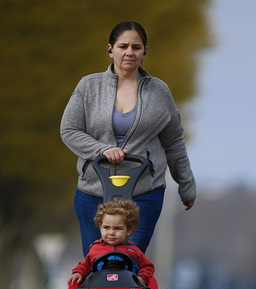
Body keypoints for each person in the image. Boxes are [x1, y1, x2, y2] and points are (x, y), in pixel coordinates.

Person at [61, 20, 197, 257]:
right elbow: (70, 130)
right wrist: (101, 150)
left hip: (144, 190)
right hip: (94, 189)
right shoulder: (88, 86)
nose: (129, 52)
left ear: (144, 52)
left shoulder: (159, 91)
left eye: (136, 47)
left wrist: (186, 186)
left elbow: (174, 142)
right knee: (95, 262)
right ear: (110, 48)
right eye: (123, 46)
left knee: (128, 261)